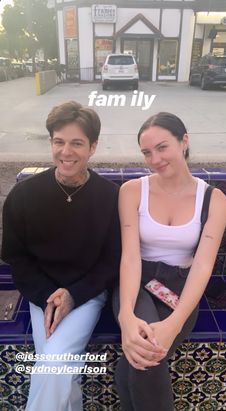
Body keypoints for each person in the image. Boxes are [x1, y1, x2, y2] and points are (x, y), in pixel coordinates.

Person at [1, 101, 121, 411]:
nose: (66, 152)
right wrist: (46, 296)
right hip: (42, 294)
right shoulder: (24, 196)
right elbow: (17, 257)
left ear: (93, 147)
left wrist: (73, 294)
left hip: (87, 294)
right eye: (59, 141)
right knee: (58, 371)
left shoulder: (110, 196)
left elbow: (111, 261)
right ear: (51, 142)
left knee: (52, 362)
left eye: (77, 143)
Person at [113, 112, 226, 411]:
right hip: (135, 283)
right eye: (146, 152)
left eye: (162, 147)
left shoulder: (213, 200)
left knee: (135, 365)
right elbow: (129, 256)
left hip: (180, 287)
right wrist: (126, 314)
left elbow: (203, 265)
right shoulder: (132, 191)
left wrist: (174, 323)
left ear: (184, 141)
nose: (154, 159)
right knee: (146, 358)